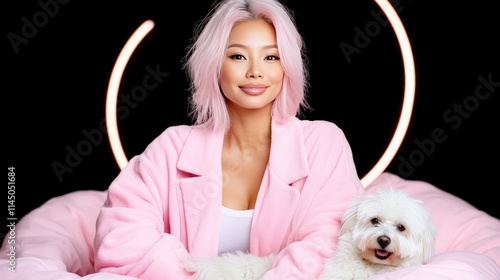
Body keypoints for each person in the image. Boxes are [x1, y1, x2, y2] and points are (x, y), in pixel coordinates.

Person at [93, 0, 365, 279]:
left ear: (287, 68)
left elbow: (331, 244)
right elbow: (121, 236)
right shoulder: (171, 148)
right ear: (215, 65)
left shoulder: (323, 144)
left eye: (271, 57)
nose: (255, 71)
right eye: (238, 56)